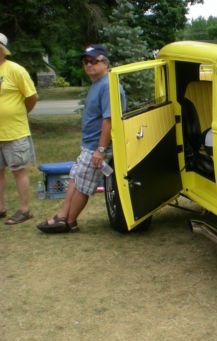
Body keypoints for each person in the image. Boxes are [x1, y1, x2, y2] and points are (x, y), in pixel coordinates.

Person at [37, 44, 124, 233]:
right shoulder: (98, 83)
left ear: (105, 63)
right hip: (89, 146)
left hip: (98, 147)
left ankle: (69, 222)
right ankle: (63, 216)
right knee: (75, 178)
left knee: (83, 185)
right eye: (86, 61)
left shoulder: (108, 85)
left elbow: (108, 121)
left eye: (94, 61)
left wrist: (100, 151)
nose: (89, 65)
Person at [0, 32, 38, 225]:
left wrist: (20, 114)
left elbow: (32, 97)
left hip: (15, 132)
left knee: (18, 170)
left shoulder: (15, 70)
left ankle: (24, 210)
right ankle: (1, 208)